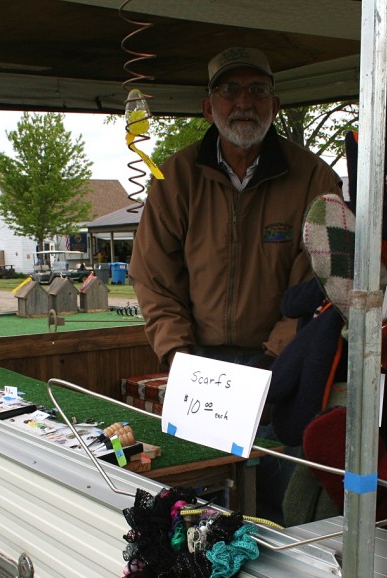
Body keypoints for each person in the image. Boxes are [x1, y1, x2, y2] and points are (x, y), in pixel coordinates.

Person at [128, 46, 342, 520]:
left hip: (284, 369)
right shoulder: (174, 178)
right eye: (230, 90)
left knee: (278, 504)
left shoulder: (314, 178)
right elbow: (153, 277)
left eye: (257, 90)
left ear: (275, 105)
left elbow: (320, 278)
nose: (244, 102)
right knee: (201, 503)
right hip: (198, 365)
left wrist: (275, 360)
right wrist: (179, 356)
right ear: (208, 107)